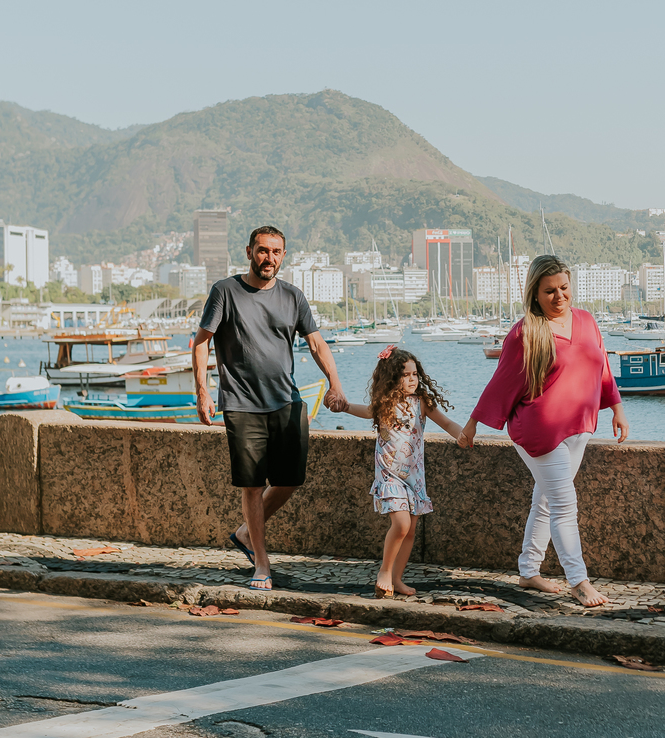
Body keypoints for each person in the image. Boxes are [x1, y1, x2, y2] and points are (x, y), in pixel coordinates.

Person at [458, 254, 628, 605]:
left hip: (580, 427)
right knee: (565, 505)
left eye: (564, 287)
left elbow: (603, 368)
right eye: (550, 291)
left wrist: (617, 409)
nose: (559, 296)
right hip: (540, 433)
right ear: (535, 293)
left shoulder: (586, 321)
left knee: (547, 500)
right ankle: (579, 582)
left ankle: (528, 571)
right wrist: (472, 423)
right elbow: (502, 382)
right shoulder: (526, 333)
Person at [193, 225, 347, 590]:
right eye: (263, 250)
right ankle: (261, 564)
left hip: (287, 402)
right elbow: (201, 343)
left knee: (290, 479)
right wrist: (202, 391)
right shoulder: (225, 291)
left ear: (283, 256)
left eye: (276, 252)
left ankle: (246, 532)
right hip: (242, 403)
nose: (269, 258)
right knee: (252, 485)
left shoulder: (293, 296)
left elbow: (317, 344)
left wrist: (335, 384)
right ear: (249, 252)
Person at [338, 346, 463, 597]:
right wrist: (344, 407)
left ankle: (397, 579)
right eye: (405, 375)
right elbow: (366, 412)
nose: (412, 379)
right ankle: (384, 572)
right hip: (389, 475)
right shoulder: (385, 403)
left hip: (415, 477)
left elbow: (447, 423)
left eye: (415, 374)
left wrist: (462, 435)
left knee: (411, 530)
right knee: (402, 524)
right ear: (392, 378)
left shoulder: (422, 402)